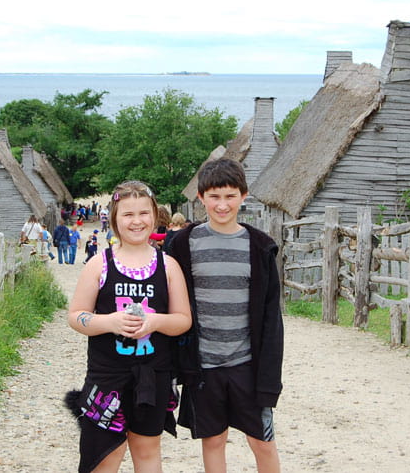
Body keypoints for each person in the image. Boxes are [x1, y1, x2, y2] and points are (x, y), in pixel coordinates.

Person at [167, 158, 284, 473]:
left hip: (247, 366)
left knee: (263, 442)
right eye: (214, 197)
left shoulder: (260, 248)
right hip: (204, 367)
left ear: (244, 196)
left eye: (230, 196)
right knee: (214, 441)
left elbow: (272, 321)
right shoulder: (181, 244)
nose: (222, 204)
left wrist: (270, 379)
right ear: (201, 197)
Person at [67, 180, 192, 473]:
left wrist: (155, 321)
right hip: (106, 376)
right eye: (128, 214)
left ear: (155, 215)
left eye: (143, 213)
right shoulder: (99, 264)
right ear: (114, 218)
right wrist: (109, 321)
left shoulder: (168, 266)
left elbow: (183, 320)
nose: (137, 221)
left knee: (147, 451)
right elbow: (75, 316)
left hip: (154, 376)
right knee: (102, 455)